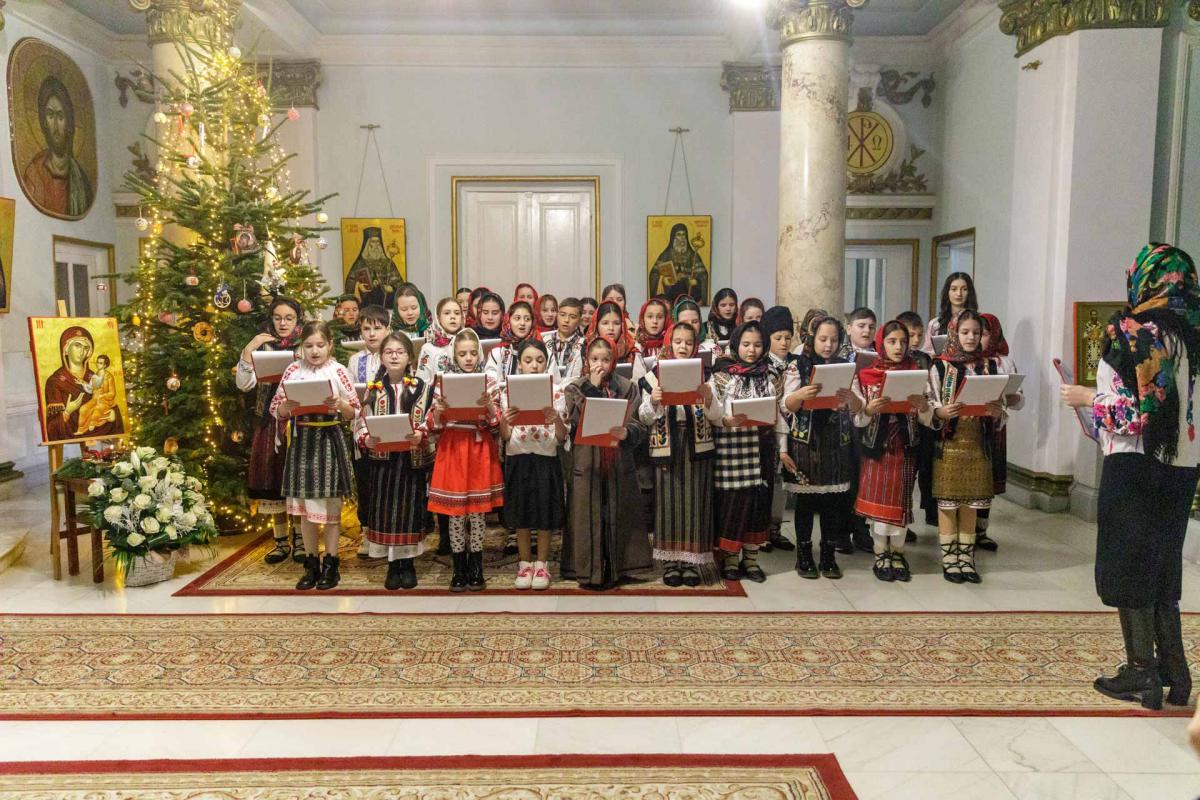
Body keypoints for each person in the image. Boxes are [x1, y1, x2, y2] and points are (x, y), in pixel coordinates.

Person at [1062, 244, 1200, 711]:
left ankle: (1141, 671)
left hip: (1135, 465)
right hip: (1183, 467)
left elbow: (1134, 415)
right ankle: (1175, 672)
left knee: (1127, 565)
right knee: (1162, 566)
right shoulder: (1195, 334)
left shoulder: (1131, 333)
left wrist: (1086, 397)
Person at [271, 320, 360, 591]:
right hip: (302, 442)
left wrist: (340, 404)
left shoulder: (338, 370)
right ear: (301, 347)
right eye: (308, 346)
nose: (314, 351)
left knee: (330, 506)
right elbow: (276, 409)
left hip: (329, 440)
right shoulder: (293, 370)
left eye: (320, 345)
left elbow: (354, 410)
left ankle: (331, 564)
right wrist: (286, 406)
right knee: (305, 509)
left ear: (330, 345)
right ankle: (311, 564)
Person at [560, 336, 652, 589]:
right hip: (587, 458)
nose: (599, 365)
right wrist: (592, 387)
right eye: (594, 359)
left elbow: (638, 422)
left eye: (605, 359)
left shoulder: (627, 387)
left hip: (617, 459)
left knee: (618, 509)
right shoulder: (575, 388)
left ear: (614, 361)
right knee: (586, 511)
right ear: (586, 360)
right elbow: (575, 420)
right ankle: (587, 570)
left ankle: (620, 567)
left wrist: (627, 432)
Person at [638, 322, 721, 586]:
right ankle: (671, 562)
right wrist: (654, 401)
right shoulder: (654, 376)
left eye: (688, 342)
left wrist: (708, 398)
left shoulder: (706, 375)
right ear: (669, 344)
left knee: (695, 501)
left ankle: (692, 561)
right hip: (668, 444)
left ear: (695, 346)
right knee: (668, 502)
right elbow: (644, 417)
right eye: (678, 342)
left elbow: (717, 416)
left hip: (697, 444)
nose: (683, 347)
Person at [855, 320, 936, 582]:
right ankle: (881, 553)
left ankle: (898, 553)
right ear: (881, 344)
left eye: (903, 341)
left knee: (900, 503)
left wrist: (923, 406)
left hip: (905, 445)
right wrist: (869, 410)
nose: (898, 347)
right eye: (892, 341)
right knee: (879, 506)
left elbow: (928, 417)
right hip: (876, 448)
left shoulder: (917, 373)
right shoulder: (866, 375)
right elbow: (857, 417)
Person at [929, 309, 1006, 585]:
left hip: (978, 444)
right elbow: (930, 401)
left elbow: (1001, 406)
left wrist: (998, 412)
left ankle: (966, 557)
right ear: (953, 333)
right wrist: (940, 412)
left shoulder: (990, 366)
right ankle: (949, 559)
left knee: (972, 502)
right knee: (948, 503)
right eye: (965, 332)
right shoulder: (940, 367)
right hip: (949, 444)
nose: (971, 337)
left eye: (976, 332)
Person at [780, 315, 859, 580]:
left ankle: (828, 554)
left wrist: (851, 399)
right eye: (823, 339)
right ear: (812, 338)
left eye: (834, 340)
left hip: (836, 441)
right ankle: (803, 555)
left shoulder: (845, 366)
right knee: (806, 501)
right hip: (806, 442)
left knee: (832, 503)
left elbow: (857, 406)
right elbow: (785, 405)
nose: (828, 345)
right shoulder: (797, 365)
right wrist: (800, 396)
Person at [425, 329, 504, 591]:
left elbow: (496, 422)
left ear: (479, 354)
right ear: (454, 355)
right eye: (462, 354)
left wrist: (489, 406)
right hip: (453, 448)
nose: (468, 358)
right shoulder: (443, 381)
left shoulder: (488, 381)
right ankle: (459, 567)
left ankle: (476, 565)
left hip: (479, 448)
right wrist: (439, 412)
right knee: (456, 513)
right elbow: (433, 425)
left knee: (477, 513)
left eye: (472, 353)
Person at [353, 332, 433, 590]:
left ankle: (407, 564)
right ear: (382, 357)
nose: (395, 356)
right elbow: (361, 421)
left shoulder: (422, 387)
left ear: (410, 357)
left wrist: (421, 433)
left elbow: (430, 418)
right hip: (383, 462)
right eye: (389, 352)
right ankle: (392, 564)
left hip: (410, 460)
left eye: (400, 352)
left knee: (409, 511)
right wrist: (366, 439)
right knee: (386, 510)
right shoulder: (373, 389)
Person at [709, 321, 783, 583]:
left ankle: (751, 560)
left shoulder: (771, 375)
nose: (752, 350)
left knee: (757, 506)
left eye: (758, 345)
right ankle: (730, 559)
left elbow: (780, 413)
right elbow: (712, 412)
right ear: (735, 345)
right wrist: (726, 421)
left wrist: (782, 447)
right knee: (732, 506)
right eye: (746, 344)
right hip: (731, 449)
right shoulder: (722, 375)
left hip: (762, 448)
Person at [236, 297, 303, 564]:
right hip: (269, 420)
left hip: (298, 421)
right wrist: (249, 349)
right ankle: (280, 540)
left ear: (298, 319)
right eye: (278, 318)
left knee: (296, 481)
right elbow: (244, 384)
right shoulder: (262, 346)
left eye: (289, 318)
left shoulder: (304, 344)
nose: (283, 323)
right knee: (272, 480)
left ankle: (301, 539)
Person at [498, 339, 568, 590]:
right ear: (519, 364)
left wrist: (556, 419)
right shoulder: (507, 392)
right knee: (522, 513)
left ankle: (542, 564)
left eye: (539, 360)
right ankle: (524, 562)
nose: (534, 365)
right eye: (528, 361)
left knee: (545, 513)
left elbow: (562, 436)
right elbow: (505, 435)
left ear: (546, 363)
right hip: (518, 456)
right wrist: (504, 421)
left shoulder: (557, 391)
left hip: (545, 457)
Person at [975, 312, 1024, 552]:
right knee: (972, 479)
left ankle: (981, 530)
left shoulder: (1004, 361)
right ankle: (964, 529)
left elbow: (1018, 399)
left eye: (984, 334)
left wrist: (1014, 397)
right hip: (971, 426)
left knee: (989, 481)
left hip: (995, 428)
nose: (978, 339)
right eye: (975, 333)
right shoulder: (965, 361)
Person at [348, 305, 391, 559]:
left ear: (387, 329)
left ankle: (386, 532)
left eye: (377, 328)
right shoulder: (355, 360)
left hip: (389, 427)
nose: (372, 334)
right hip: (363, 428)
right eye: (366, 328)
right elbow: (349, 392)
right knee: (365, 482)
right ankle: (367, 531)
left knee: (386, 481)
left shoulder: (394, 354)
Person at [23, 75, 94, 218]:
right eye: (50, 115)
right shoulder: (34, 174)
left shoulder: (80, 179)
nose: (55, 126)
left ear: (69, 122)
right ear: (43, 120)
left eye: (60, 116)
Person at [896, 311, 938, 538]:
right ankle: (896, 520)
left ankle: (907, 518)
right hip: (897, 424)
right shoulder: (892, 357)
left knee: (914, 473)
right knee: (900, 477)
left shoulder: (925, 359)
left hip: (920, 424)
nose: (915, 340)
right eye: (910, 335)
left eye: (919, 335)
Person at [43, 326, 123, 441]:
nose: (82, 351)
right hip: (71, 439)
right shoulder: (55, 382)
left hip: (100, 429)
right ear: (66, 349)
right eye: (77, 345)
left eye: (86, 348)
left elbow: (109, 401)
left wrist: (113, 414)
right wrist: (67, 411)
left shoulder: (95, 376)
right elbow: (52, 428)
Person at [760, 306, 797, 554]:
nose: (784, 343)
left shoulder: (795, 364)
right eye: (778, 338)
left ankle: (776, 528)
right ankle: (762, 530)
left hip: (791, 430)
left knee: (782, 483)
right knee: (766, 481)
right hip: (768, 433)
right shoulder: (763, 365)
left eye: (788, 337)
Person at [648, 221, 709, 304]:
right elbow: (654, 274)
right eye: (679, 235)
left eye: (684, 234)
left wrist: (696, 281)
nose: (682, 238)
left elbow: (703, 275)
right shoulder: (666, 255)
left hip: (689, 294)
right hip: (670, 295)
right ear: (673, 237)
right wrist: (663, 280)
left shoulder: (693, 255)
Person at [344, 227, 400, 310]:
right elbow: (350, 282)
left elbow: (399, 284)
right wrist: (358, 287)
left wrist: (392, 288)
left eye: (378, 242)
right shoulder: (360, 263)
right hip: (366, 306)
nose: (376, 245)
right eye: (373, 242)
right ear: (367, 244)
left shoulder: (388, 263)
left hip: (386, 305)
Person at [924, 272, 978, 352]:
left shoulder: (979, 322)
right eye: (954, 289)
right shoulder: (935, 324)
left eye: (964, 289)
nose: (959, 294)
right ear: (947, 292)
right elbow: (927, 351)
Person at [485, 301, 536, 382]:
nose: (522, 323)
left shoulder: (541, 352)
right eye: (517, 318)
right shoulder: (498, 353)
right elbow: (489, 382)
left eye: (527, 319)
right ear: (508, 321)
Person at [416, 298, 464, 382]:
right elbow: (421, 382)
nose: (453, 317)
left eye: (457, 313)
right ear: (438, 318)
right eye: (447, 313)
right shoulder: (428, 348)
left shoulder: (469, 342)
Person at [542, 296, 585, 380]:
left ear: (579, 320)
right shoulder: (545, 340)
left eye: (572, 317)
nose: (566, 320)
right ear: (557, 315)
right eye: (562, 315)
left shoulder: (584, 344)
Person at [77, 354, 118, 436]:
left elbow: (112, 393)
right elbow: (91, 389)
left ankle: (93, 423)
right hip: (94, 399)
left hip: (105, 401)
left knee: (96, 410)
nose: (98, 364)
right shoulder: (95, 376)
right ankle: (81, 430)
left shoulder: (109, 377)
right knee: (83, 409)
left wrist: (103, 396)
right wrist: (83, 383)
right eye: (97, 362)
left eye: (100, 363)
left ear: (105, 365)